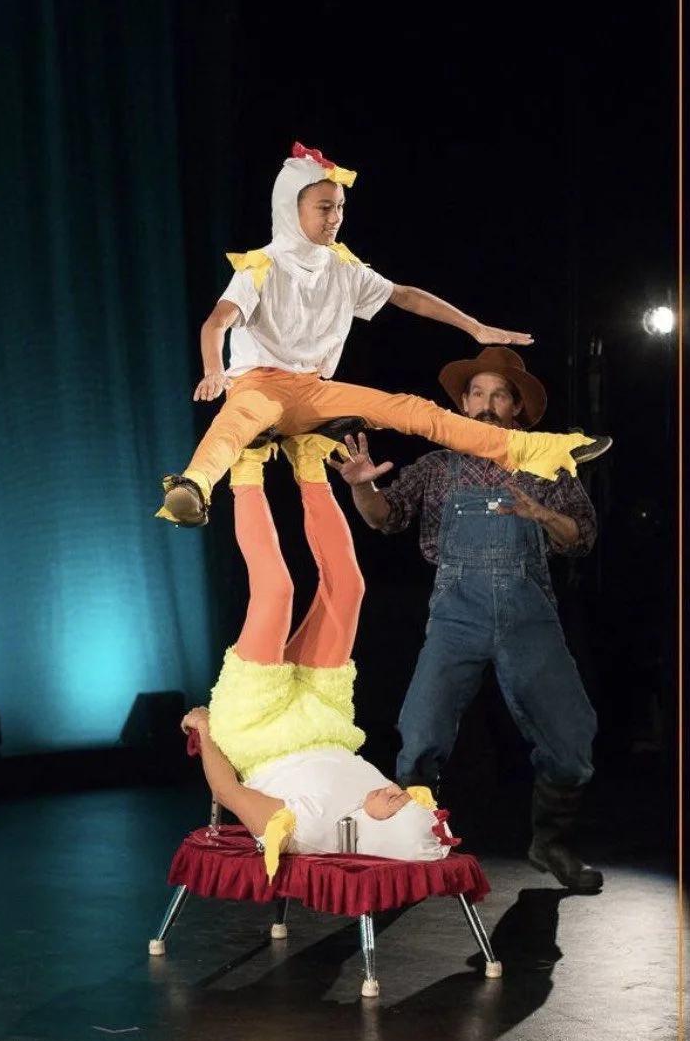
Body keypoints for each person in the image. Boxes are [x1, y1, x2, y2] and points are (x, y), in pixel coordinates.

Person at [156, 141, 610, 530]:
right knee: (235, 422)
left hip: (314, 392)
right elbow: (215, 322)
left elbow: (407, 297)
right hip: (260, 386)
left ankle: (535, 447)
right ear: (289, 209)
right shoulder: (262, 266)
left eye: (340, 208)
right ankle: (193, 486)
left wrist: (474, 327)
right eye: (323, 207)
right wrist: (214, 370)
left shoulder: (343, 268)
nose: (335, 218)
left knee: (410, 409)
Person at [329, 346, 605, 894]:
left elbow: (583, 538)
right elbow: (387, 518)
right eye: (476, 393)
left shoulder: (545, 463)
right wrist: (363, 485)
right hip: (458, 614)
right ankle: (409, 850)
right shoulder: (436, 467)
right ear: (462, 404)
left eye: (498, 394)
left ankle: (549, 843)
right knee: (420, 736)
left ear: (517, 410)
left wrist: (542, 512)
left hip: (529, 618)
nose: (485, 404)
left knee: (572, 742)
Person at [179, 429, 457, 881]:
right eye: (406, 802)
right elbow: (408, 811)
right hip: (322, 717)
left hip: (258, 729)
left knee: (276, 592)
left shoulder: (302, 832)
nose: (399, 796)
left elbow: (227, 791)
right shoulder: (388, 797)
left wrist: (207, 727)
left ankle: (246, 466)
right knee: (349, 589)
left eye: (396, 810)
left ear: (377, 839)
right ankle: (308, 463)